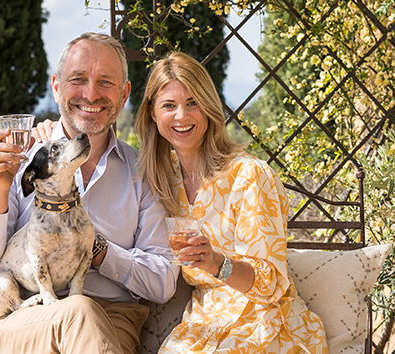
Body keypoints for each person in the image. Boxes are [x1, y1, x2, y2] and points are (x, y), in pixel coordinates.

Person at [0, 32, 179, 354]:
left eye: (106, 82)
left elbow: (162, 283)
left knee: (82, 311)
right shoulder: (15, 160)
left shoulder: (142, 171)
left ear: (124, 93)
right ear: (57, 86)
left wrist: (96, 248)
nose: (91, 94)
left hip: (112, 318)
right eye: (78, 79)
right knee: (78, 310)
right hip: (23, 320)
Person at [134, 52, 328, 353]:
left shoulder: (250, 176)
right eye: (169, 105)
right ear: (152, 113)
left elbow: (270, 285)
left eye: (193, 103)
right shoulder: (160, 181)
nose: (182, 116)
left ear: (210, 108)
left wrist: (217, 263)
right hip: (203, 326)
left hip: (265, 324)